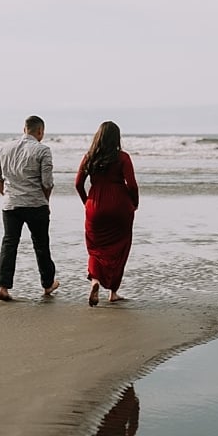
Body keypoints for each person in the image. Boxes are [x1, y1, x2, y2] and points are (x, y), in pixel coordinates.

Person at [0, 115, 59, 301]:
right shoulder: (43, 150)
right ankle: (47, 284)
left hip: (11, 205)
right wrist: (47, 202)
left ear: (24, 129)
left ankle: (4, 287)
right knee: (41, 244)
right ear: (40, 131)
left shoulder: (5, 149)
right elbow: (47, 182)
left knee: (9, 244)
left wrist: (7, 195)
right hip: (36, 204)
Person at [76, 121, 140, 306]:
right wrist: (134, 203)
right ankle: (113, 292)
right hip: (120, 206)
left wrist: (87, 202)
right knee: (119, 249)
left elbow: (78, 184)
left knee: (95, 249)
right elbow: (132, 185)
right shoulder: (123, 157)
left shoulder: (89, 157)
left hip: (95, 206)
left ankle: (95, 281)